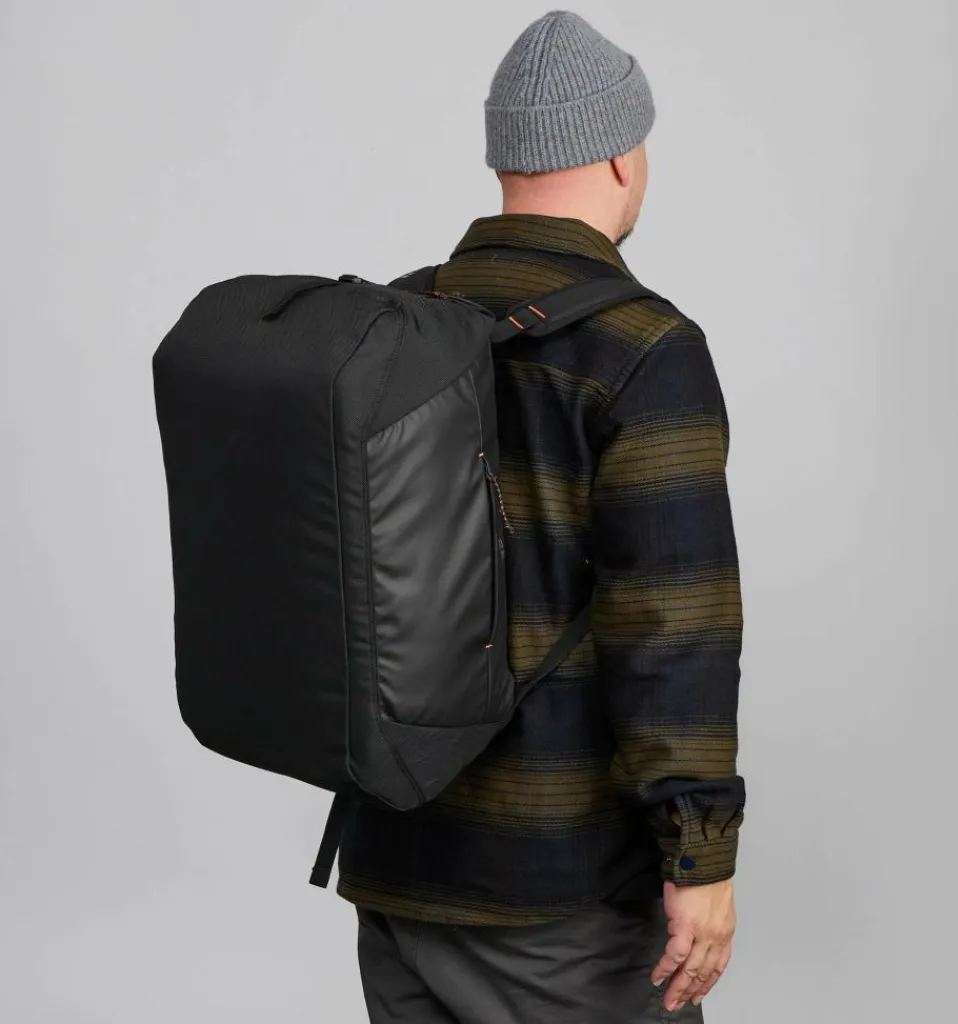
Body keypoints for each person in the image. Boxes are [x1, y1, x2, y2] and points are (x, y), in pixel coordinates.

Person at [340, 11, 745, 1022]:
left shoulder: (389, 323)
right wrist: (699, 855)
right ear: (620, 156)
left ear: (504, 159)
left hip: (395, 863)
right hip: (558, 895)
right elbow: (672, 625)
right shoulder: (642, 350)